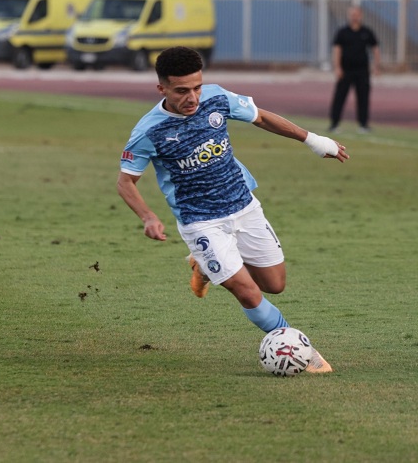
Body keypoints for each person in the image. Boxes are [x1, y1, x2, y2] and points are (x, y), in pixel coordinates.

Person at [117, 46, 348, 373]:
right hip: (200, 222)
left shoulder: (217, 98)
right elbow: (126, 182)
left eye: (197, 87)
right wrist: (148, 217)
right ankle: (298, 350)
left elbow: (263, 117)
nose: (193, 97)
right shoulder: (148, 132)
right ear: (162, 89)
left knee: (275, 284)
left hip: (244, 206)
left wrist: (314, 140)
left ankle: (204, 267)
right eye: (182, 91)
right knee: (247, 291)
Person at [328, 5, 381, 134]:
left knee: (363, 97)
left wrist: (376, 66)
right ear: (348, 15)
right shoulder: (342, 32)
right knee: (340, 97)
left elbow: (375, 49)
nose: (354, 17)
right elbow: (337, 50)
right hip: (346, 70)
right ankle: (334, 124)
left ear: (360, 15)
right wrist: (337, 67)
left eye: (356, 14)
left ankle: (363, 124)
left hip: (362, 71)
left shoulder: (366, 32)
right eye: (352, 14)